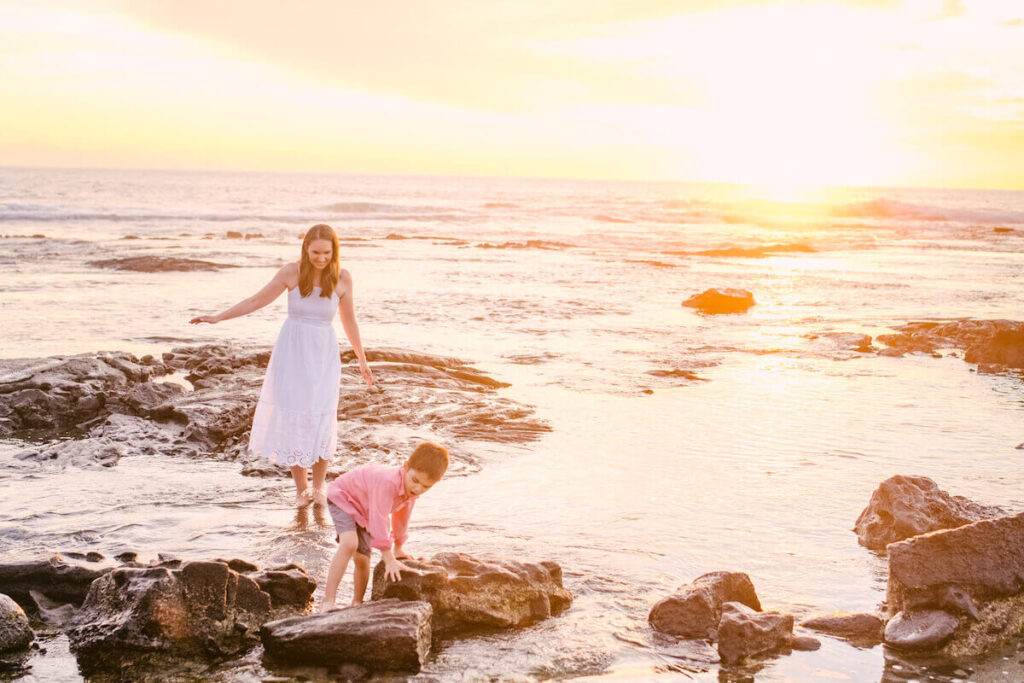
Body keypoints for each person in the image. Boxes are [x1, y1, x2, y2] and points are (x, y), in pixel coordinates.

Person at [190, 224, 373, 506]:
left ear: (334, 251)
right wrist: (218, 317)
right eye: (315, 252)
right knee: (294, 416)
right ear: (306, 249)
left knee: (321, 416)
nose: (321, 258)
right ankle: (302, 490)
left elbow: (349, 321)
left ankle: (320, 487)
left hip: (323, 354)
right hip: (292, 353)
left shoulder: (343, 278)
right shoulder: (292, 272)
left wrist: (361, 358)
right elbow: (256, 300)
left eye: (327, 253)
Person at [320, 441, 449, 611]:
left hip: (365, 511)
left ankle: (357, 604)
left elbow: (401, 518)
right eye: (415, 480)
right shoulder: (388, 483)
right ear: (405, 466)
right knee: (350, 543)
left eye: (426, 486)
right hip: (344, 497)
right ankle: (328, 601)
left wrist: (398, 547)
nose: (418, 488)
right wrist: (388, 558)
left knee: (363, 559)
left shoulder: (410, 491)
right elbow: (380, 519)